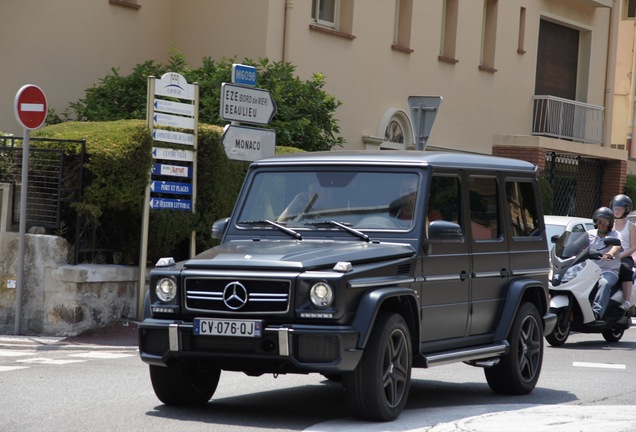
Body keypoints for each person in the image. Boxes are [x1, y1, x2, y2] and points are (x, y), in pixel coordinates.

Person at [588, 207, 623, 320]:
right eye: (599, 220)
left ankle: (596, 312)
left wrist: (609, 254)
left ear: (610, 223)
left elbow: (617, 246)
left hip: (609, 271)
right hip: (589, 270)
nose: (601, 224)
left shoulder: (615, 234)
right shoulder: (589, 234)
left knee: (604, 283)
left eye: (605, 221)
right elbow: (577, 245)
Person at [610, 194, 635, 310]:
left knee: (625, 269)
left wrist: (620, 256)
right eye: (615, 207)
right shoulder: (609, 225)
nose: (617, 210)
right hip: (609, 255)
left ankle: (626, 301)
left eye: (620, 208)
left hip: (625, 257)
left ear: (626, 209)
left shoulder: (631, 226)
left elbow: (633, 247)